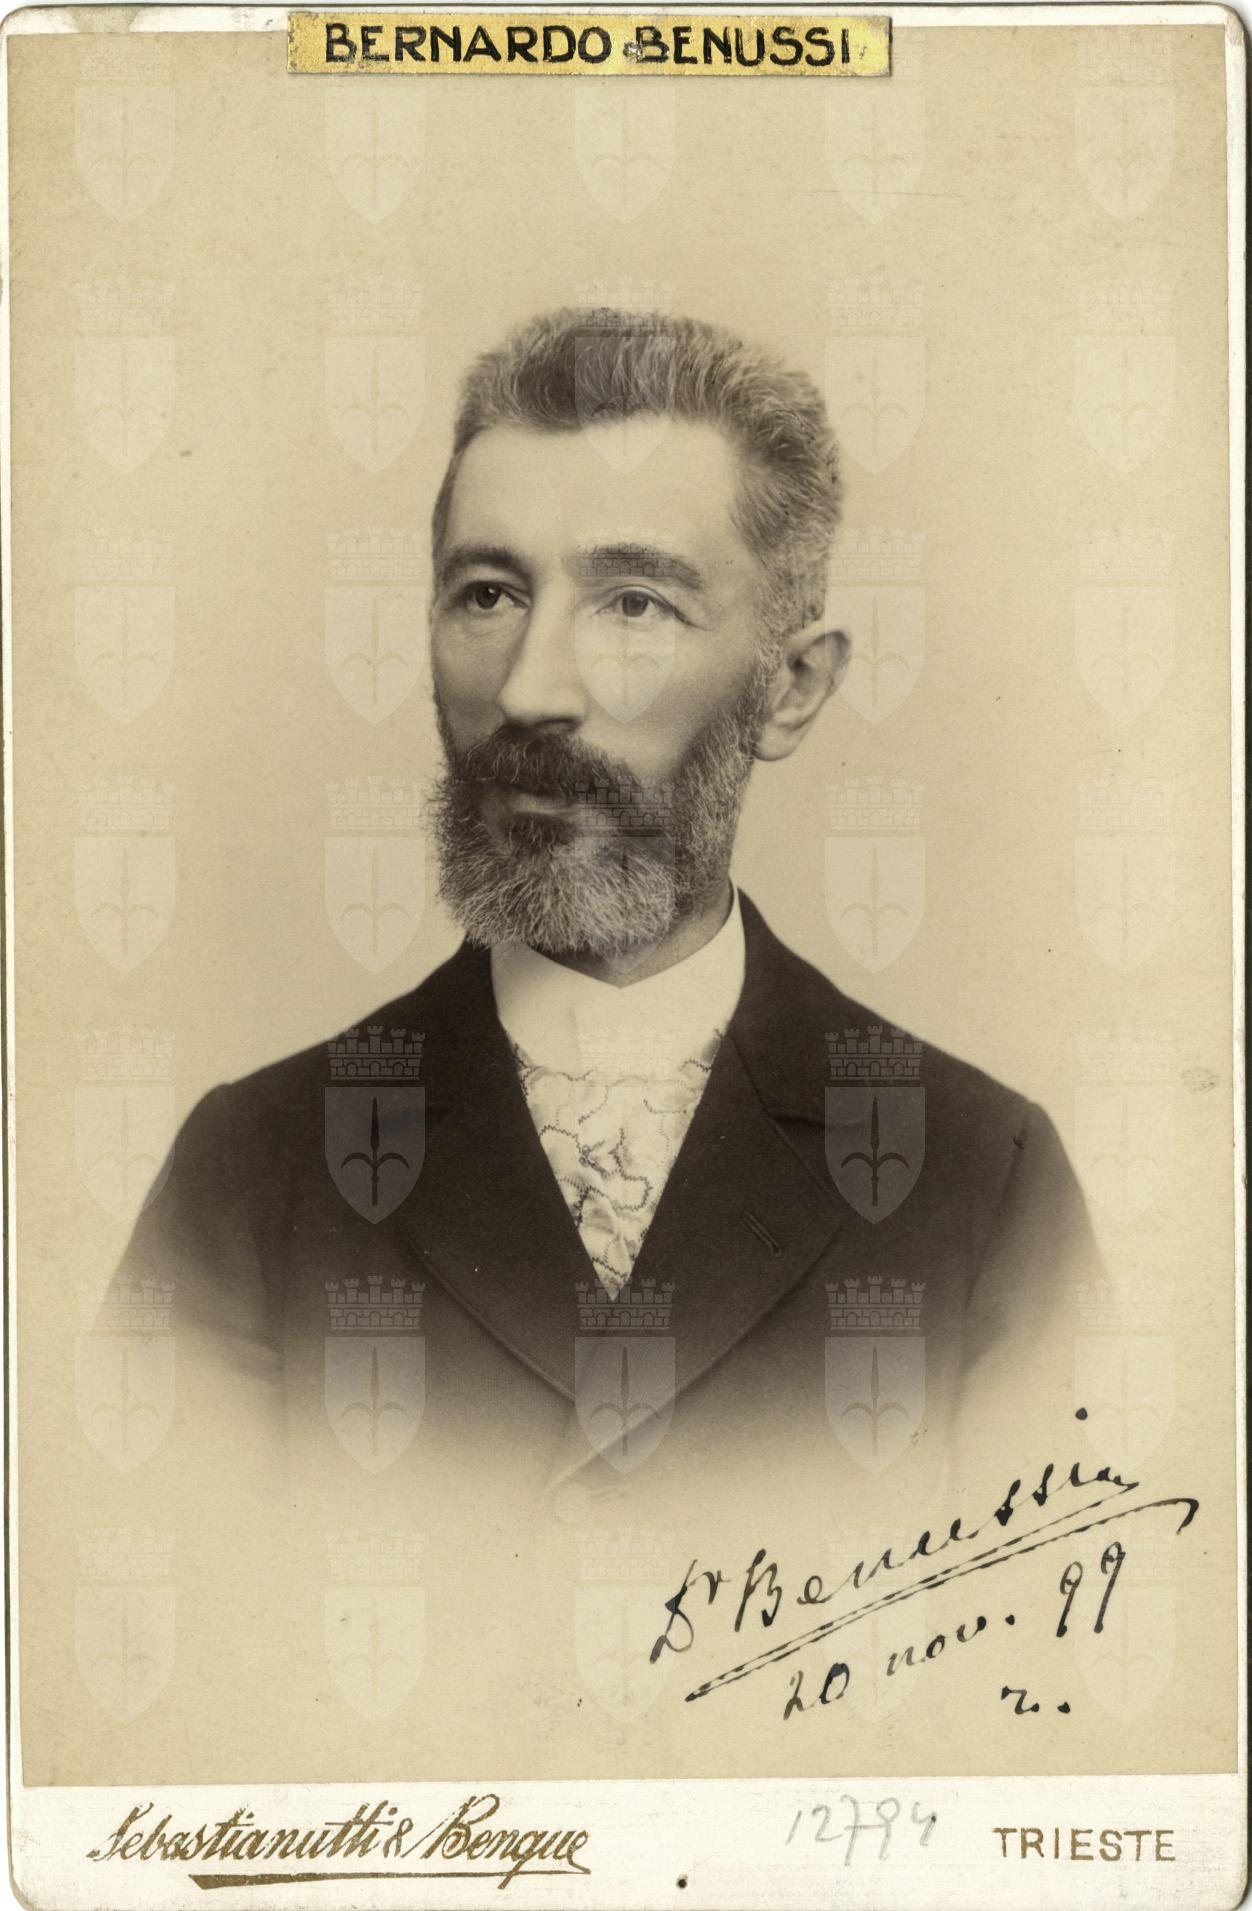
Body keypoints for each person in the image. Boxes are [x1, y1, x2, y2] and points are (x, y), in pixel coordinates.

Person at [112, 307, 1102, 1527]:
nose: (531, 690)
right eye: (487, 595)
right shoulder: (250, 1175)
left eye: (634, 605)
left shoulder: (985, 1182)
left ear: (791, 689)